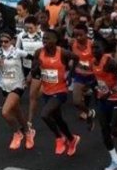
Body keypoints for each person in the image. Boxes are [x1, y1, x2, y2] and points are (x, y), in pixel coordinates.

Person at [30, 29, 81, 157]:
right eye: (43, 39)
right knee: (58, 119)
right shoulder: (38, 53)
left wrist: (71, 75)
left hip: (60, 91)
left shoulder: (62, 52)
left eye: (47, 39)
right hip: (47, 91)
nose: (44, 41)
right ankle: (72, 139)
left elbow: (76, 58)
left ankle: (59, 138)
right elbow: (33, 72)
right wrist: (38, 66)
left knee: (44, 114)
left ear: (55, 40)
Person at [0, 31, 31, 150]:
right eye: (1, 42)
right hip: (5, 86)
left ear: (12, 41)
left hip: (18, 85)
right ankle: (28, 132)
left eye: (6, 41)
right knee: (17, 111)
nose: (3, 44)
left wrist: (30, 74)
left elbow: (32, 59)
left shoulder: (17, 52)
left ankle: (18, 133)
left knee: (5, 112)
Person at [91, 39, 117, 170]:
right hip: (102, 99)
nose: (94, 50)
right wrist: (93, 90)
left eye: (97, 47)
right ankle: (115, 161)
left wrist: (110, 91)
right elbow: (97, 80)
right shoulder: (93, 62)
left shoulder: (110, 62)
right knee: (104, 129)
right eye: (92, 48)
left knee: (115, 130)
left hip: (116, 99)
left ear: (103, 49)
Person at [15, 15, 43, 149]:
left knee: (32, 96)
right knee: (29, 94)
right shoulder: (21, 36)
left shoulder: (43, 36)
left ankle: (29, 123)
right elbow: (16, 51)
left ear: (37, 26)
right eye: (26, 28)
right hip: (25, 67)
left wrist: (33, 71)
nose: (29, 31)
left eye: (31, 28)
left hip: (39, 68)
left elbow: (44, 53)